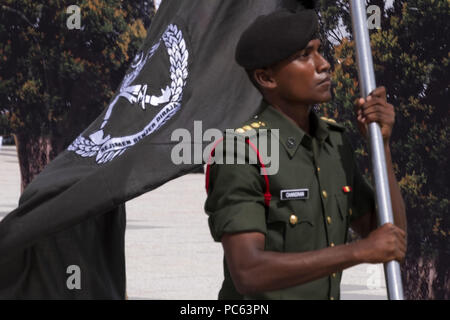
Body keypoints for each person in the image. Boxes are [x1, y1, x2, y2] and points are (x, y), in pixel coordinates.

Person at [204, 9, 407, 300]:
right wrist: (358, 251)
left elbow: (392, 239)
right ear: (266, 78)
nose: (324, 65)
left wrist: (382, 145)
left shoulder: (334, 143)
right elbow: (248, 271)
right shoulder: (240, 153)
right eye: (304, 55)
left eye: (319, 51)